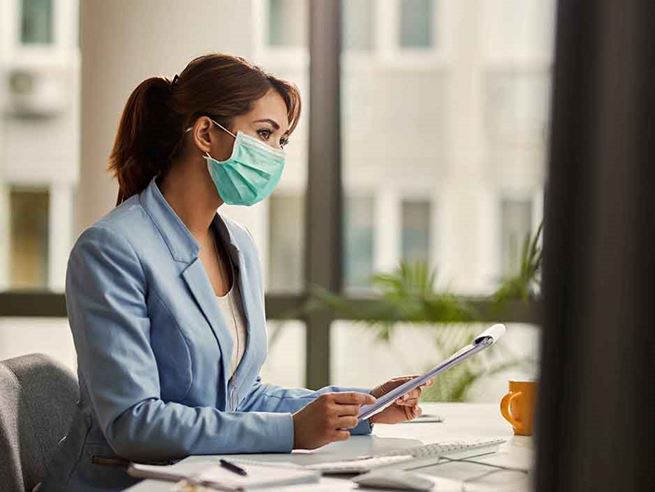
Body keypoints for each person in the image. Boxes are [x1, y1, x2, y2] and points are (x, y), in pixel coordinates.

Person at [42, 54, 429, 491]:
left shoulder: (237, 245)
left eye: (282, 140)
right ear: (206, 133)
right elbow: (135, 423)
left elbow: (240, 396)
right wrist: (290, 432)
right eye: (264, 133)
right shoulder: (111, 249)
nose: (275, 155)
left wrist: (362, 407)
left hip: (206, 479)